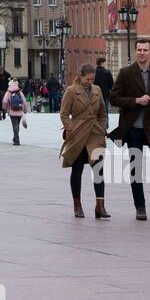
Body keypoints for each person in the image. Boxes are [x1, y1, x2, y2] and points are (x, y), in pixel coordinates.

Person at [106, 37, 150, 221]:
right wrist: (136, 101)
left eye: (145, 50)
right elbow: (114, 98)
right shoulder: (126, 73)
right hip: (133, 128)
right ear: (135, 51)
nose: (142, 53)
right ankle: (140, 207)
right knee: (136, 168)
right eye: (139, 50)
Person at [60, 64, 109, 220]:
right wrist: (71, 128)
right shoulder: (71, 91)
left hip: (95, 133)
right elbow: (64, 114)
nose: (90, 82)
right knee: (77, 169)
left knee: (98, 169)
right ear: (80, 76)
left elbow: (103, 112)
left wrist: (102, 128)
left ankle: (100, 205)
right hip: (78, 133)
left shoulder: (97, 90)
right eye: (88, 79)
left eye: (92, 79)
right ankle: (77, 204)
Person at [2, 78, 30, 146]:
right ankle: (15, 138)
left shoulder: (8, 92)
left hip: (12, 111)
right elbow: (24, 102)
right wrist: (25, 110)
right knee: (17, 126)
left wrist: (4, 109)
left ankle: (17, 141)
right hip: (20, 112)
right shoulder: (20, 92)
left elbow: (4, 101)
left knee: (15, 126)